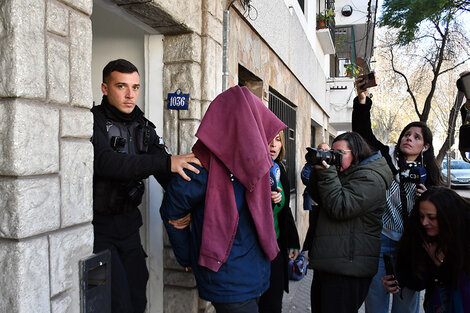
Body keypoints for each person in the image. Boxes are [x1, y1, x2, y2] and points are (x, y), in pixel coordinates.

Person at [160, 85, 286, 313]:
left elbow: (173, 211)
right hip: (232, 280)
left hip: (253, 274)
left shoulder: (257, 163)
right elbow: (172, 209)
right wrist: (188, 256)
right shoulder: (204, 165)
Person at [91, 59, 201, 313]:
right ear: (105, 88)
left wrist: (188, 208)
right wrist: (163, 163)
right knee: (117, 302)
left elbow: (171, 173)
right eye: (122, 86)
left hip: (129, 226)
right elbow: (106, 163)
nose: (131, 95)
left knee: (138, 296)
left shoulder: (144, 127)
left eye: (136, 87)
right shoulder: (92, 121)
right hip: (100, 229)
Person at [352, 79, 442, 313]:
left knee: (406, 302)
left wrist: (428, 198)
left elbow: (442, 213)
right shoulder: (385, 157)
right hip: (380, 241)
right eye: (406, 134)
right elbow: (363, 134)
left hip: (412, 245)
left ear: (425, 147)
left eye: (416, 137)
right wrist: (363, 100)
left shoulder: (430, 176)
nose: (409, 138)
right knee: (376, 298)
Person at [305, 132, 393, 313]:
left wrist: (328, 173)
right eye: (332, 152)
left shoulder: (371, 177)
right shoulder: (347, 171)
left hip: (348, 270)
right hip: (331, 263)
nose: (333, 158)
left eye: (339, 154)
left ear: (357, 152)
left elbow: (341, 206)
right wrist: (318, 170)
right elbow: (320, 197)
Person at [382, 186, 470, 312]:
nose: (425, 222)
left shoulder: (465, 232)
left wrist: (440, 263)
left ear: (448, 216)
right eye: (421, 216)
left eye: (431, 217)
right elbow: (417, 281)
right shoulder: (421, 233)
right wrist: (398, 281)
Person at [258, 130, 300, 313]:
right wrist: (264, 198)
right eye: (269, 139)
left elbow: (285, 211)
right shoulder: (253, 168)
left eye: (278, 140)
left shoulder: (279, 169)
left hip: (276, 248)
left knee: (273, 303)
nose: (273, 144)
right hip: (255, 249)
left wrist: (293, 241)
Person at [301, 142, 329, 253]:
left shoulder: (332, 165)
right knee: (313, 227)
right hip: (314, 203)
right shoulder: (310, 165)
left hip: (327, 203)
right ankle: (309, 252)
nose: (322, 152)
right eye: (320, 149)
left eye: (325, 150)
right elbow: (305, 178)